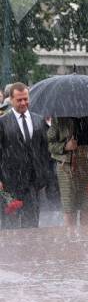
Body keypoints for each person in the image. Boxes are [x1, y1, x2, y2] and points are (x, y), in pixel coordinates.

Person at [0, 83, 51, 229]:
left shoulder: (38, 120)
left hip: (32, 184)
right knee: (11, 227)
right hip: (9, 184)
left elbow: (44, 150)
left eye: (25, 99)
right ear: (11, 100)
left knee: (32, 226)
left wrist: (43, 174)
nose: (23, 103)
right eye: (19, 100)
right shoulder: (3, 122)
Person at [48, 116, 88, 227]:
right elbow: (50, 144)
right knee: (69, 206)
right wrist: (65, 146)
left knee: (87, 205)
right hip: (66, 167)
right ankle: (71, 239)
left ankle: (85, 239)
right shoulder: (59, 118)